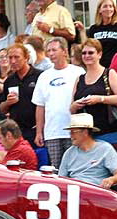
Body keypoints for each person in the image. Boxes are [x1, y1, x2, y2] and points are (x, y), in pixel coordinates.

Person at [33, 37, 85, 168]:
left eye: (54, 50)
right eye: (48, 51)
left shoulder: (78, 72)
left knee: (75, 167)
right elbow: (40, 106)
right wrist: (39, 132)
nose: (51, 54)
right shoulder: (44, 76)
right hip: (52, 132)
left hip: (74, 129)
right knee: (57, 169)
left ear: (64, 51)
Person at [71, 38, 117, 157]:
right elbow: (71, 108)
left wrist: (100, 99)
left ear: (99, 54)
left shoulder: (109, 74)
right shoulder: (79, 79)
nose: (87, 56)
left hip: (109, 133)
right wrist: (76, 105)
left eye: (91, 53)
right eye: (84, 53)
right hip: (87, 136)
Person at [59, 113, 117, 188]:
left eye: (73, 132)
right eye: (70, 132)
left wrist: (111, 180)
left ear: (85, 132)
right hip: (74, 192)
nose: (71, 135)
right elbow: (61, 178)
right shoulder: (69, 153)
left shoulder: (105, 149)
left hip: (96, 192)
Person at [0, 43, 42, 146]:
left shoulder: (39, 76)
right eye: (10, 58)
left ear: (26, 57)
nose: (13, 61)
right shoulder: (9, 81)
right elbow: (2, 109)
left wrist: (40, 128)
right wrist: (8, 103)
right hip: (17, 131)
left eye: (17, 57)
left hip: (36, 129)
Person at [76, 0, 117, 68]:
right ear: (99, 10)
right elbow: (87, 46)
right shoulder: (94, 28)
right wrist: (82, 31)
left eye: (111, 6)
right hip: (100, 67)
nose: (108, 9)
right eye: (105, 6)